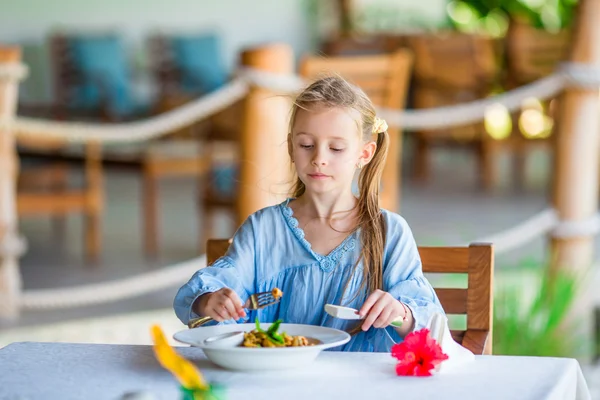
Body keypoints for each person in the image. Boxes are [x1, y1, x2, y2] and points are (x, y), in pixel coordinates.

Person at [174, 75, 444, 352]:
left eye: (336, 148)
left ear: (365, 154)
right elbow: (211, 291)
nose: (319, 158)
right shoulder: (262, 229)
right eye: (306, 145)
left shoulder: (390, 231)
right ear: (291, 146)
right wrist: (209, 300)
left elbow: (428, 321)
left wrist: (400, 313)